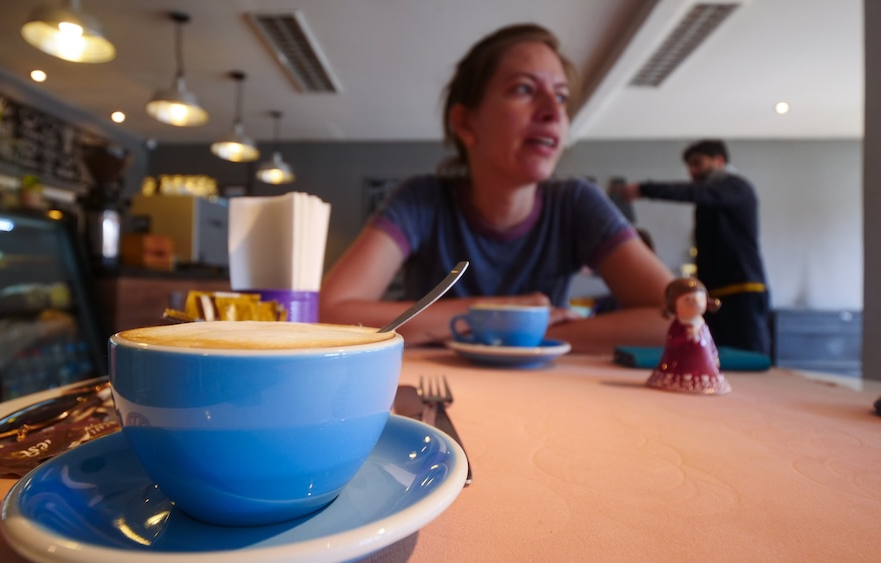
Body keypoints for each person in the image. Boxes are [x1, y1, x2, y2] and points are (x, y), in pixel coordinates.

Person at [319, 23, 674, 354]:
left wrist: (518, 334)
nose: (553, 111)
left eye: (562, 97)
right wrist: (499, 312)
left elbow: (678, 318)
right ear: (466, 122)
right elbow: (331, 312)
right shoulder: (422, 200)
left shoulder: (577, 203)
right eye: (524, 89)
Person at [619, 140, 771, 355]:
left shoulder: (736, 187)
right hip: (716, 291)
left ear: (719, 161)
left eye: (697, 163)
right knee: (714, 357)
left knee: (750, 357)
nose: (692, 171)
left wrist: (645, 189)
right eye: (690, 166)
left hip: (742, 290)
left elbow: (695, 192)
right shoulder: (715, 195)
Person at [645, 278, 731, 395]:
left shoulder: (701, 324)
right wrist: (686, 337)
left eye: (700, 299)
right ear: (674, 305)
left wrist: (714, 354)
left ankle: (703, 381)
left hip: (704, 362)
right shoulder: (680, 324)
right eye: (688, 300)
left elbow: (709, 341)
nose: (696, 303)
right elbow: (672, 340)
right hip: (680, 362)